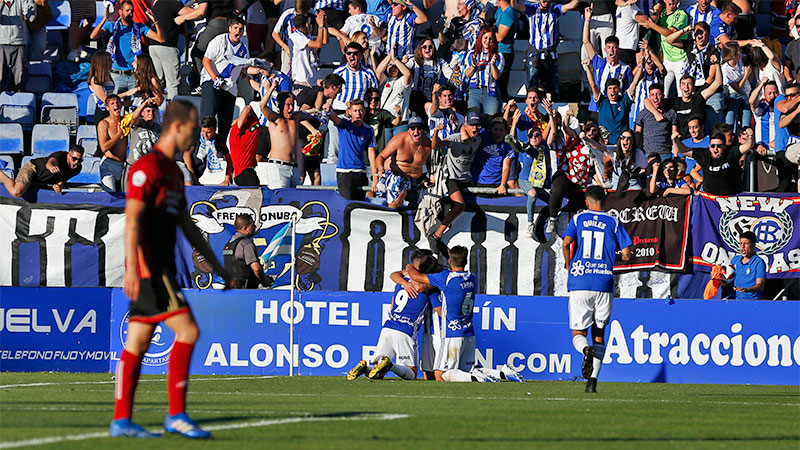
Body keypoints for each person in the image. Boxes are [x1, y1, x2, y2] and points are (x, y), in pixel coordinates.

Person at [112, 100, 232, 439]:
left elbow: (187, 225)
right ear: (177, 128)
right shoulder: (145, 169)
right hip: (150, 267)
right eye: (193, 128)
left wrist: (219, 268)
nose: (195, 135)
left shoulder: (173, 172)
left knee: (137, 341)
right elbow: (133, 219)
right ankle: (176, 415)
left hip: (158, 266)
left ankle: (122, 421)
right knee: (188, 331)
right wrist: (133, 269)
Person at [405, 245, 522, 383]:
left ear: (449, 261)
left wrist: (409, 267)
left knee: (440, 375)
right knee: (466, 370)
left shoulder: (447, 278)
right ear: (466, 261)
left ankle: (477, 377)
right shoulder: (471, 277)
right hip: (468, 334)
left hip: (451, 334)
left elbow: (416, 276)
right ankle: (502, 373)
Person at [562, 185, 632, 394]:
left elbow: (566, 243)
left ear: (586, 201)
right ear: (605, 200)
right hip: (604, 283)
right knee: (599, 334)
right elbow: (627, 255)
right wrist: (610, 258)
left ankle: (585, 350)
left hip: (581, 280)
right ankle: (592, 382)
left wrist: (568, 265)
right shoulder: (614, 221)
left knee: (578, 333)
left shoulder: (578, 219)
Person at [348, 249, 439, 380]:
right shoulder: (426, 286)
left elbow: (394, 274)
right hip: (405, 330)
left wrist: (404, 283)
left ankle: (364, 368)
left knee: (377, 372)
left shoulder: (403, 278)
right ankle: (391, 365)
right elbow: (428, 290)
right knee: (411, 373)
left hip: (388, 327)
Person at [200, 16, 260, 154]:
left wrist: (259, 69)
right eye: (235, 28)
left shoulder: (243, 48)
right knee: (209, 114)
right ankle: (203, 146)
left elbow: (244, 68)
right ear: (230, 28)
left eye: (240, 29)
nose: (237, 31)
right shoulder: (220, 41)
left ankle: (220, 152)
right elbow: (206, 60)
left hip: (230, 86)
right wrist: (215, 78)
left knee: (226, 121)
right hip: (212, 80)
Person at [90, 0, 165, 95]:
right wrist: (105, 18)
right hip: (116, 74)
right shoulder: (112, 26)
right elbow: (93, 36)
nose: (130, 13)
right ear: (120, 12)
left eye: (132, 11)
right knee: (115, 104)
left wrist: (155, 21)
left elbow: (161, 39)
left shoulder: (139, 27)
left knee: (135, 104)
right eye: (127, 10)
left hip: (134, 74)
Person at [428, 112, 482, 242]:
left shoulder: (479, 139)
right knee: (459, 205)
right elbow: (435, 146)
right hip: (452, 178)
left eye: (477, 125)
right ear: (467, 125)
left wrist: (464, 130)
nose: (475, 128)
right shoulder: (455, 138)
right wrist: (436, 132)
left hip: (466, 178)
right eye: (472, 125)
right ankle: (436, 235)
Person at [512, 0, 580, 99]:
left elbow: (572, 5)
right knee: (533, 85)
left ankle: (555, 107)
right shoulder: (532, 8)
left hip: (550, 55)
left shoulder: (555, 9)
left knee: (554, 86)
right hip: (534, 54)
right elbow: (515, 6)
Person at [261, 78, 317, 189]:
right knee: (280, 201)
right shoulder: (275, 119)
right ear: (280, 105)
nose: (291, 108)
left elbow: (315, 111)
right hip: (278, 167)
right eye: (288, 105)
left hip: (294, 168)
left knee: (295, 203)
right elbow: (262, 106)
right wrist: (271, 87)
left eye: (292, 105)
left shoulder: (295, 118)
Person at [374, 116, 434, 208]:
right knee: (399, 190)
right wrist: (380, 170)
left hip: (415, 179)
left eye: (419, 128)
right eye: (413, 128)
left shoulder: (427, 144)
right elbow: (380, 157)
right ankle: (391, 213)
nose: (416, 131)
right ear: (408, 130)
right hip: (396, 175)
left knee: (428, 201)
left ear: (423, 130)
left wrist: (431, 175)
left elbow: (429, 161)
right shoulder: (399, 140)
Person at [673, 130, 754, 196]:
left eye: (719, 146)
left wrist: (750, 137)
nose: (715, 149)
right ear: (709, 147)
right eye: (712, 146)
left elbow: (747, 146)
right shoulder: (705, 154)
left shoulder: (731, 152)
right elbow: (684, 151)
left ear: (724, 147)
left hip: (732, 195)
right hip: (709, 197)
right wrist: (675, 141)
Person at [583, 5, 632, 113]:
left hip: (618, 109)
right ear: (605, 49)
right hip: (599, 107)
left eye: (614, 47)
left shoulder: (625, 68)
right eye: (609, 48)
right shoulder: (600, 62)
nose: (611, 51)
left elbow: (629, 91)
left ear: (618, 49)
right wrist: (587, 19)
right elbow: (586, 41)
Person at [331, 99, 376, 201]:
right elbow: (334, 118)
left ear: (364, 112)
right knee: (346, 206)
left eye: (360, 110)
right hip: (345, 172)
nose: (358, 114)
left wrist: (375, 177)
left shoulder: (369, 130)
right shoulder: (344, 125)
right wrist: (329, 110)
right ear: (350, 112)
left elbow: (371, 154)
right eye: (355, 111)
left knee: (359, 207)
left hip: (360, 173)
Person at [0, 145, 84, 197]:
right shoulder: (60, 155)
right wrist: (51, 167)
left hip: (42, 180)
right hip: (33, 168)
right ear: (68, 156)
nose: (76, 162)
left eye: (80, 160)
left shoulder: (77, 168)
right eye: (74, 159)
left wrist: (59, 186)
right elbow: (50, 161)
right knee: (16, 192)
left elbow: (63, 179)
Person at [584, 63, 636, 145]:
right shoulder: (602, 102)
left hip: (622, 145)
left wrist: (640, 66)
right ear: (606, 91)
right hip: (604, 144)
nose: (613, 91)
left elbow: (634, 84)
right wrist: (587, 67)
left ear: (619, 89)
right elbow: (593, 85)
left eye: (615, 88)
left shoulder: (624, 101)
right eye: (610, 88)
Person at [223, 214, 275, 289]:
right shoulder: (246, 244)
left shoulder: (228, 245)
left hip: (230, 289)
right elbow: (257, 269)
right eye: (253, 225)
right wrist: (265, 281)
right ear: (245, 228)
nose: (255, 227)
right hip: (246, 290)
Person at [464, 27, 504, 115]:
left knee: (491, 120)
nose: (488, 41)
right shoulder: (472, 54)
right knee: (473, 120)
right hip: (474, 91)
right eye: (485, 38)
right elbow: (467, 74)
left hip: (491, 92)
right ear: (481, 38)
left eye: (490, 38)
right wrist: (474, 65)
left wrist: (493, 64)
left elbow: (496, 76)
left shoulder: (499, 56)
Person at [184, 116, 233, 186]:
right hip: (184, 165)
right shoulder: (196, 135)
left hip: (197, 173)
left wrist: (226, 179)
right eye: (203, 131)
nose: (205, 135)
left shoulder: (219, 140)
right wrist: (193, 176)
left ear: (214, 130)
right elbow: (186, 155)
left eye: (208, 132)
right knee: (189, 184)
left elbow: (228, 159)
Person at [149, 0, 183, 101]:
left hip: (153, 45)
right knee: (173, 83)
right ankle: (172, 111)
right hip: (167, 46)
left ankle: (155, 108)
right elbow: (195, 12)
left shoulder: (157, 3)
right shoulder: (174, 3)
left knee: (158, 81)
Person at [289, 11, 328, 97]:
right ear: (307, 24)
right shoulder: (296, 37)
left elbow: (324, 41)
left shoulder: (306, 37)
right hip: (302, 81)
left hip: (312, 81)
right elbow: (318, 44)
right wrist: (320, 26)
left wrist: (324, 25)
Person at [635, 83, 678, 161]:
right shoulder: (643, 113)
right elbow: (638, 134)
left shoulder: (671, 112)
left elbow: (674, 135)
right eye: (652, 95)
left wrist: (676, 156)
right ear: (649, 96)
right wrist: (637, 153)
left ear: (663, 95)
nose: (655, 97)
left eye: (658, 94)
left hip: (665, 153)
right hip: (647, 154)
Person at [0, 0, 35, 92]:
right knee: (0, 76)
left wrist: (31, 6)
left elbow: (31, 18)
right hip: (1, 43)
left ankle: (20, 101)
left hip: (19, 42)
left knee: (20, 76)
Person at [97, 95, 128, 192]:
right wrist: (119, 134)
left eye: (118, 102)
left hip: (124, 165)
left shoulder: (125, 121)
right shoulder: (104, 124)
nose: (116, 105)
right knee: (111, 197)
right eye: (112, 103)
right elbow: (104, 147)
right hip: (109, 165)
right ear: (107, 108)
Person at [726, 231, 766, 299]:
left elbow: (760, 285)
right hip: (734, 298)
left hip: (751, 301)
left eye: (746, 243)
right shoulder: (735, 259)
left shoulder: (759, 262)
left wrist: (747, 290)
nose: (743, 247)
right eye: (741, 243)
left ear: (753, 245)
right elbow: (728, 281)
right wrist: (719, 279)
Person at [89, 51, 116, 134]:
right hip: (102, 112)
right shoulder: (95, 80)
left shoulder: (110, 77)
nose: (112, 62)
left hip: (113, 111)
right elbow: (105, 99)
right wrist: (126, 93)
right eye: (109, 61)